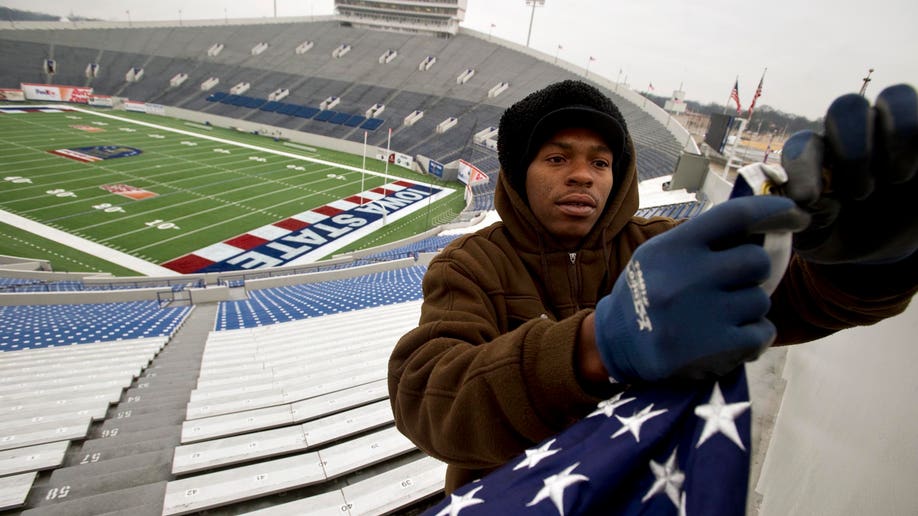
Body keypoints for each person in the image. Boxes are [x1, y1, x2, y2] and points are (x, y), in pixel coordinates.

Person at [387, 79, 917, 495]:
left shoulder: (668, 248)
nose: (582, 176)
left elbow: (794, 298)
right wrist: (596, 346)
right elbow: (428, 397)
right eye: (557, 158)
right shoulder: (470, 263)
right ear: (517, 175)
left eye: (600, 162)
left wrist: (856, 266)